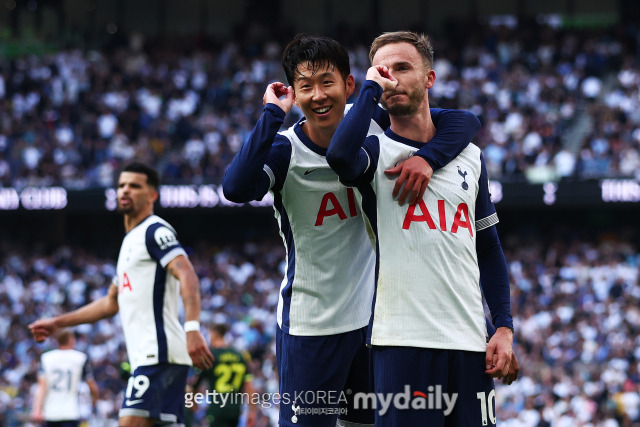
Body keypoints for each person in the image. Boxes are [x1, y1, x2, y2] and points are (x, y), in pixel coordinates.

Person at [222, 33, 480, 427]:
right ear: (294, 93)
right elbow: (236, 188)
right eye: (305, 87)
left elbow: (465, 121)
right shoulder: (286, 151)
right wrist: (274, 113)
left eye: (327, 82)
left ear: (349, 85)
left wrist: (428, 158)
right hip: (312, 326)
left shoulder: (371, 126)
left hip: (372, 324)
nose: (318, 95)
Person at [326, 31, 514, 426]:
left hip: (468, 343)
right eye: (382, 70)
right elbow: (339, 155)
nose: (391, 77)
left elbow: (489, 247)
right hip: (400, 343)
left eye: (402, 68)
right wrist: (369, 90)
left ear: (429, 79)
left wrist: (504, 327)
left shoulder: (472, 157)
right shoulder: (374, 154)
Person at [29, 162, 214, 427]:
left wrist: (192, 328)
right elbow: (109, 303)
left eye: (135, 186)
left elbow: (187, 274)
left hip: (158, 354)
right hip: (151, 356)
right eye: (121, 185)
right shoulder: (130, 241)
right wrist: (57, 323)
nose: (125, 190)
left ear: (152, 195)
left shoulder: (154, 231)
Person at [186, 324, 257, 427]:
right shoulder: (240, 355)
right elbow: (249, 386)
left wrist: (192, 402)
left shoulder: (210, 355)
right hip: (235, 409)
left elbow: (195, 384)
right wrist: (252, 411)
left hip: (217, 407)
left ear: (213, 334)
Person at [31, 330, 99, 427]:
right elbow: (92, 387)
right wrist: (94, 402)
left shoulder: (46, 358)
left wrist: (37, 409)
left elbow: (42, 387)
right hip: (71, 411)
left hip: (50, 412)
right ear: (72, 340)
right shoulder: (80, 358)